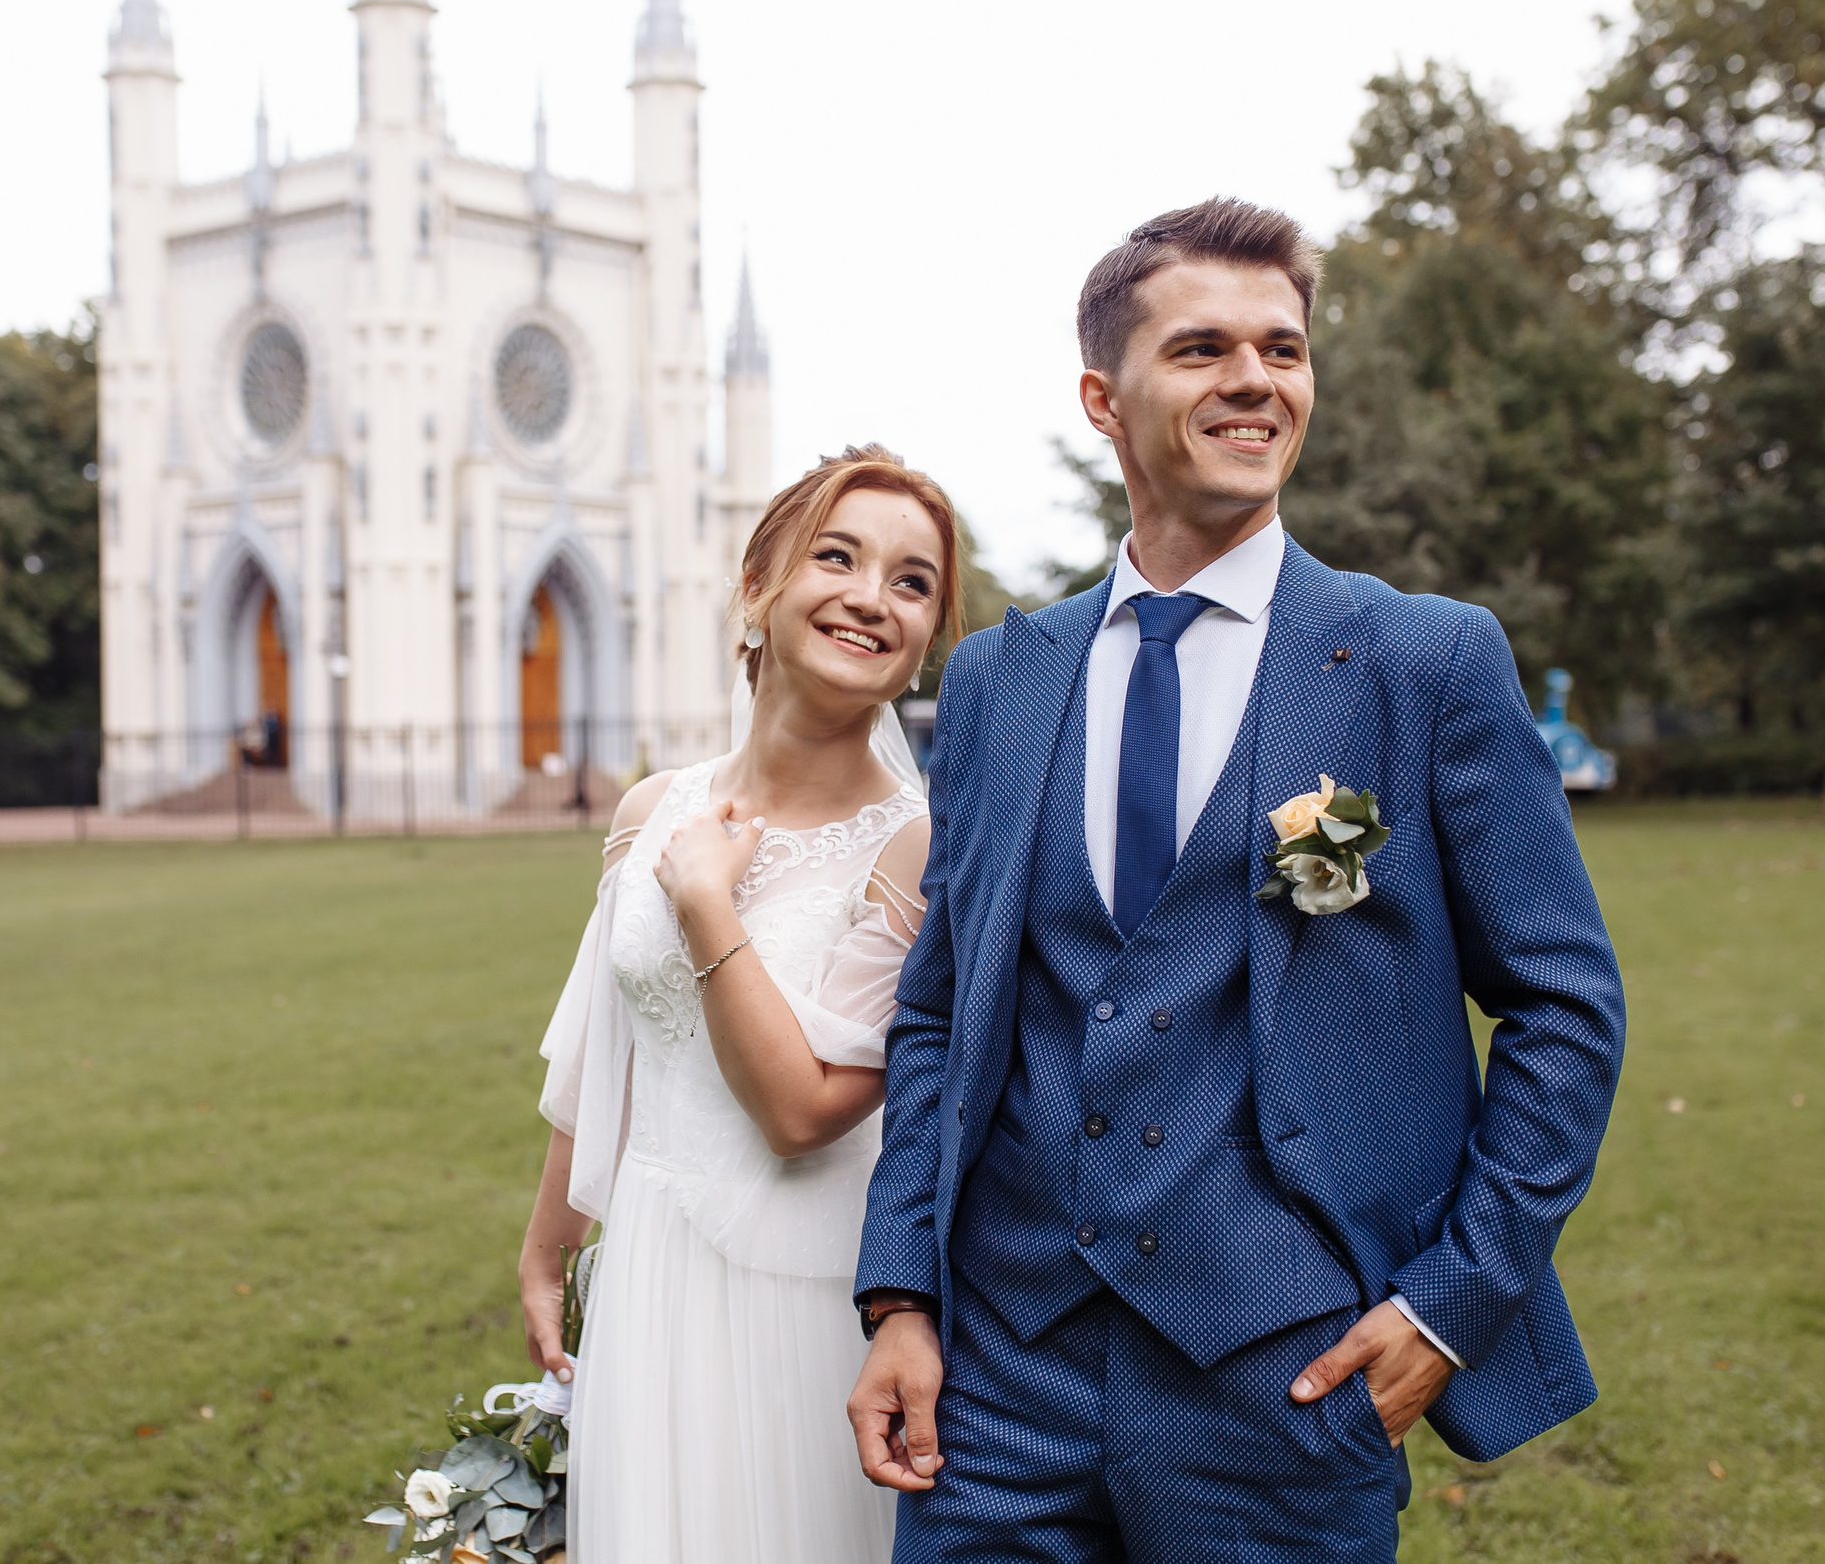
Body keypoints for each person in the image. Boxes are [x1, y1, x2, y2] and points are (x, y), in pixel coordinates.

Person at [848, 200, 1627, 1561]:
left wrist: (1453, 1299)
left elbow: (1565, 1007)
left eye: (1284, 347)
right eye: (1203, 348)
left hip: (1289, 1371)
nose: (1255, 379)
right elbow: (939, 1012)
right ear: (1104, 396)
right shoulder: (997, 681)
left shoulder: (1418, 660)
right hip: (1001, 1377)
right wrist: (901, 1294)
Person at [519, 445, 966, 1563]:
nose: (872, 597)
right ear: (759, 586)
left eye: (913, 583)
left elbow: (805, 1109)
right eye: (838, 557)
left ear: (923, 644)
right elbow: (604, 1044)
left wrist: (709, 907)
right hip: (652, 1273)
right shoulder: (651, 807)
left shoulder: (916, 848)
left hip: (807, 1299)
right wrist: (546, 1250)